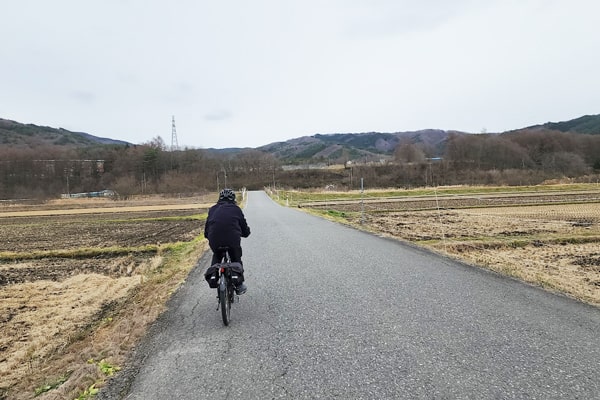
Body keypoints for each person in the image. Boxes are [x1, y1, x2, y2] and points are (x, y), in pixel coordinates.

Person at [204, 188, 251, 294]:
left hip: (214, 240)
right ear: (233, 199)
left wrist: (209, 236)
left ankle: (213, 277)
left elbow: (207, 229)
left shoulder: (212, 209)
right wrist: (246, 233)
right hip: (232, 240)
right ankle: (239, 284)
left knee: (217, 254)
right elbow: (244, 227)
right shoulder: (236, 209)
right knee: (236, 258)